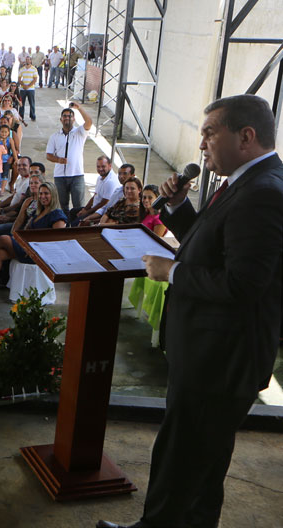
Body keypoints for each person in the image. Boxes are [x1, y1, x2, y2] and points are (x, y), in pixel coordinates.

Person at [98, 96, 283, 527]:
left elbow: (243, 284)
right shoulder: (244, 180)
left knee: (185, 459)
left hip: (220, 359)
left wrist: (173, 272)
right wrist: (181, 209)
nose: (201, 144)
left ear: (246, 136)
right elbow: (213, 249)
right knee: (198, 461)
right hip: (209, 353)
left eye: (209, 132)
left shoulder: (263, 193)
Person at [0, 181, 67, 300]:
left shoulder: (57, 215)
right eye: (40, 194)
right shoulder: (39, 210)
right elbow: (27, 228)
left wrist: (31, 245)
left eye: (46, 194)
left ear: (54, 195)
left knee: (4, 238)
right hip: (28, 247)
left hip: (40, 254)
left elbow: (57, 242)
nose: (42, 196)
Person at [45, 101, 92, 212]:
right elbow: (48, 155)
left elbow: (89, 122)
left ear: (74, 119)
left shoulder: (80, 132)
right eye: (65, 116)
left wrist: (79, 108)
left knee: (78, 207)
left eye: (70, 116)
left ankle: (76, 228)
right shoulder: (54, 136)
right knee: (62, 206)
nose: (67, 118)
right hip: (60, 176)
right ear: (61, 119)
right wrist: (58, 160)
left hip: (77, 175)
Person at [70, 155, 121, 226]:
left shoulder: (110, 181)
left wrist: (87, 212)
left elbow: (104, 203)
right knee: (73, 211)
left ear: (110, 166)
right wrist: (85, 209)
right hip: (94, 208)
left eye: (103, 166)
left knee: (76, 223)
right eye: (98, 166)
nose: (100, 169)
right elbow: (95, 196)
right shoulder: (100, 178)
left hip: (101, 212)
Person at [17, 56, 37, 121]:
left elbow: (35, 79)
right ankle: (21, 116)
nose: (27, 61)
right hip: (23, 89)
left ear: (31, 61)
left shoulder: (34, 69)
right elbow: (19, 79)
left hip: (31, 89)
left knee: (32, 103)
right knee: (21, 103)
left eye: (29, 60)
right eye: (26, 60)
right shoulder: (22, 69)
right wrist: (23, 85)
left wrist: (28, 86)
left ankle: (32, 116)